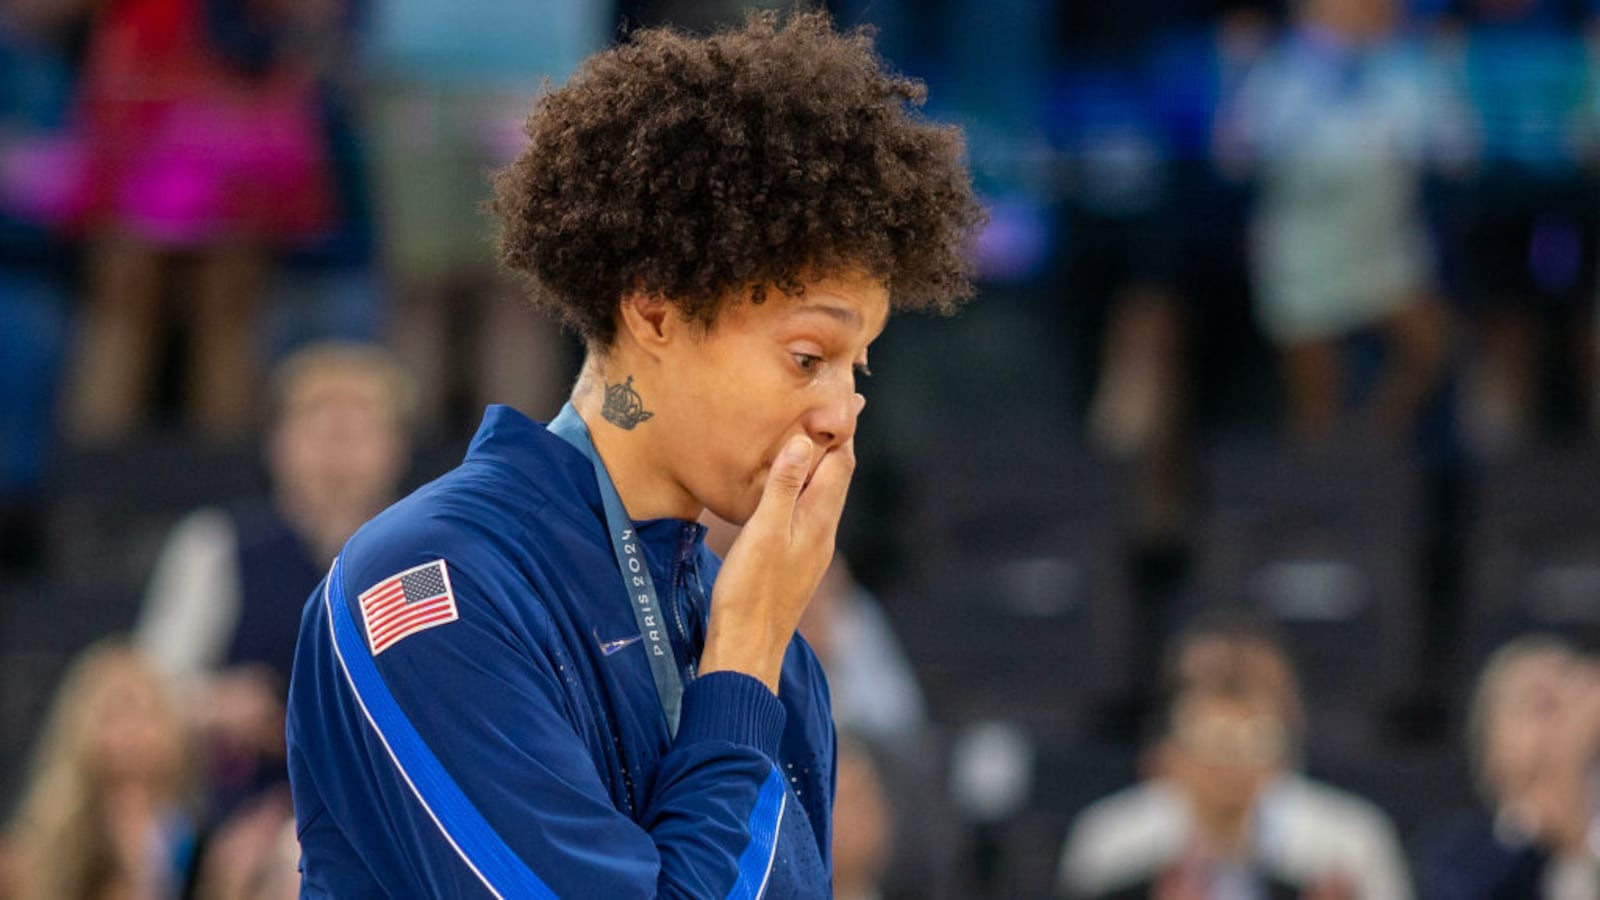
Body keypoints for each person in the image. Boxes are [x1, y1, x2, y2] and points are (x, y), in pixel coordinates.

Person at [285, 10, 982, 898]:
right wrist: (742, 663)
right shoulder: (428, 585)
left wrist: (752, 652)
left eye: (858, 368)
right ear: (654, 310)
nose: (842, 415)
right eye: (809, 358)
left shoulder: (773, 651)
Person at [136, 342, 414, 821]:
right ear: (276, 443)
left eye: (358, 427)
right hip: (236, 811)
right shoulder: (216, 546)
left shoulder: (427, 561)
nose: (337, 444)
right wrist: (212, 703)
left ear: (396, 449)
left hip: (387, 810)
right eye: (319, 424)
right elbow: (149, 688)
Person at [1058, 615, 1412, 900]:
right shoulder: (1112, 842)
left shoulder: (1349, 841)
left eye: (1253, 732)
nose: (1230, 762)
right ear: (1167, 752)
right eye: (1213, 734)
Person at [5, 640, 199, 900]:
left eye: (141, 712)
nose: (130, 732)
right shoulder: (44, 837)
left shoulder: (188, 836)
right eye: (114, 713)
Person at [1415, 636, 1600, 900]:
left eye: (1574, 702)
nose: (1566, 721)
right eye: (1543, 704)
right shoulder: (1459, 855)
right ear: (1491, 744)